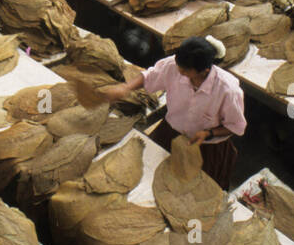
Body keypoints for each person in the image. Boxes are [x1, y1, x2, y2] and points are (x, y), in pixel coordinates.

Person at [96, 37, 245, 190]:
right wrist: (126, 88)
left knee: (192, 191)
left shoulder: (228, 90)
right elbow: (150, 76)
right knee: (148, 176)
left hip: (205, 147)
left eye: (186, 70)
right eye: (179, 66)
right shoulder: (175, 65)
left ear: (205, 70)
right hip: (170, 133)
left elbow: (235, 127)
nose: (179, 71)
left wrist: (209, 133)